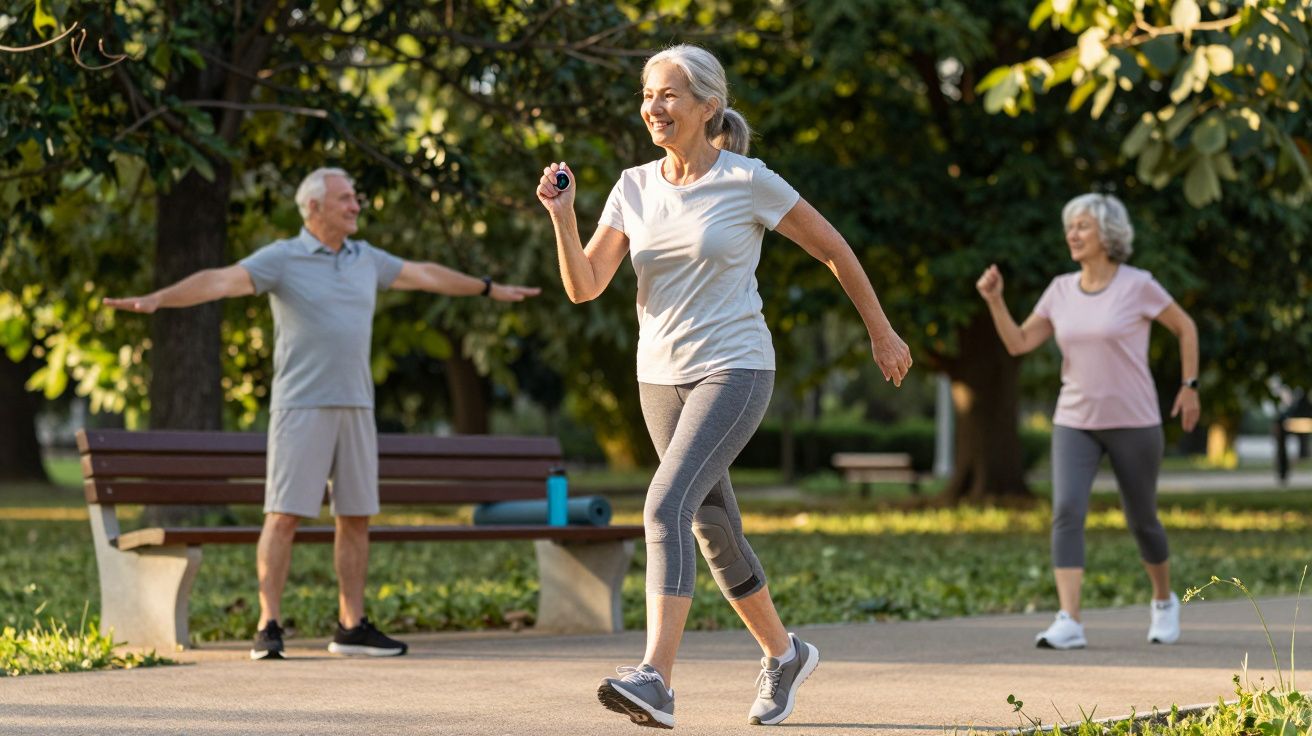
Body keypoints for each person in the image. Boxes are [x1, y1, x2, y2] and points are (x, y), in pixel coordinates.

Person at [536, 45, 912, 728]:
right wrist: (563, 217)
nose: (653, 106)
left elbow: (833, 247)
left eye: (669, 94)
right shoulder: (633, 186)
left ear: (709, 105)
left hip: (735, 367)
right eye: (648, 94)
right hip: (659, 378)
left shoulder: (748, 181)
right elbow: (585, 287)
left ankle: (656, 677)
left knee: (662, 508)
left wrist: (881, 331)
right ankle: (785, 651)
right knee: (711, 527)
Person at [104, 167, 540, 660]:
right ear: (313, 208)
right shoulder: (282, 259)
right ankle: (268, 624)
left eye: (355, 197)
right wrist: (161, 299)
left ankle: (351, 625)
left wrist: (486, 288)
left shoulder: (365, 258)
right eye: (345, 199)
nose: (355, 205)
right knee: (284, 516)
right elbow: (220, 281)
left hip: (357, 405)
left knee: (355, 517)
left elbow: (425, 274)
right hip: (301, 406)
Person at [975, 192, 1200, 650]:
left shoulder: (1139, 285)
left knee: (1142, 519)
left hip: (1135, 421)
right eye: (1069, 226)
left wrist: (1189, 385)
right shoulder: (1059, 289)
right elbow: (1019, 343)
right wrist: (996, 301)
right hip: (1075, 419)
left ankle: (1162, 601)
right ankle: (1069, 619)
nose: (1071, 234)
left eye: (1082, 226)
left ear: (1108, 233)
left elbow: (1186, 327)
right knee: (1066, 512)